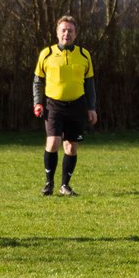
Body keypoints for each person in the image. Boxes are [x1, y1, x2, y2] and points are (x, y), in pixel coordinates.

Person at [32, 15, 97, 196]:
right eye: (63, 30)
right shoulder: (47, 54)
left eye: (70, 31)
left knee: (71, 147)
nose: (66, 33)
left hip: (77, 106)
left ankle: (65, 186)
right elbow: (38, 81)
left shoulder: (84, 55)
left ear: (75, 34)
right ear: (57, 33)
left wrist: (91, 107)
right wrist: (37, 102)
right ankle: (49, 183)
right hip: (53, 106)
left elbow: (90, 84)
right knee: (53, 142)